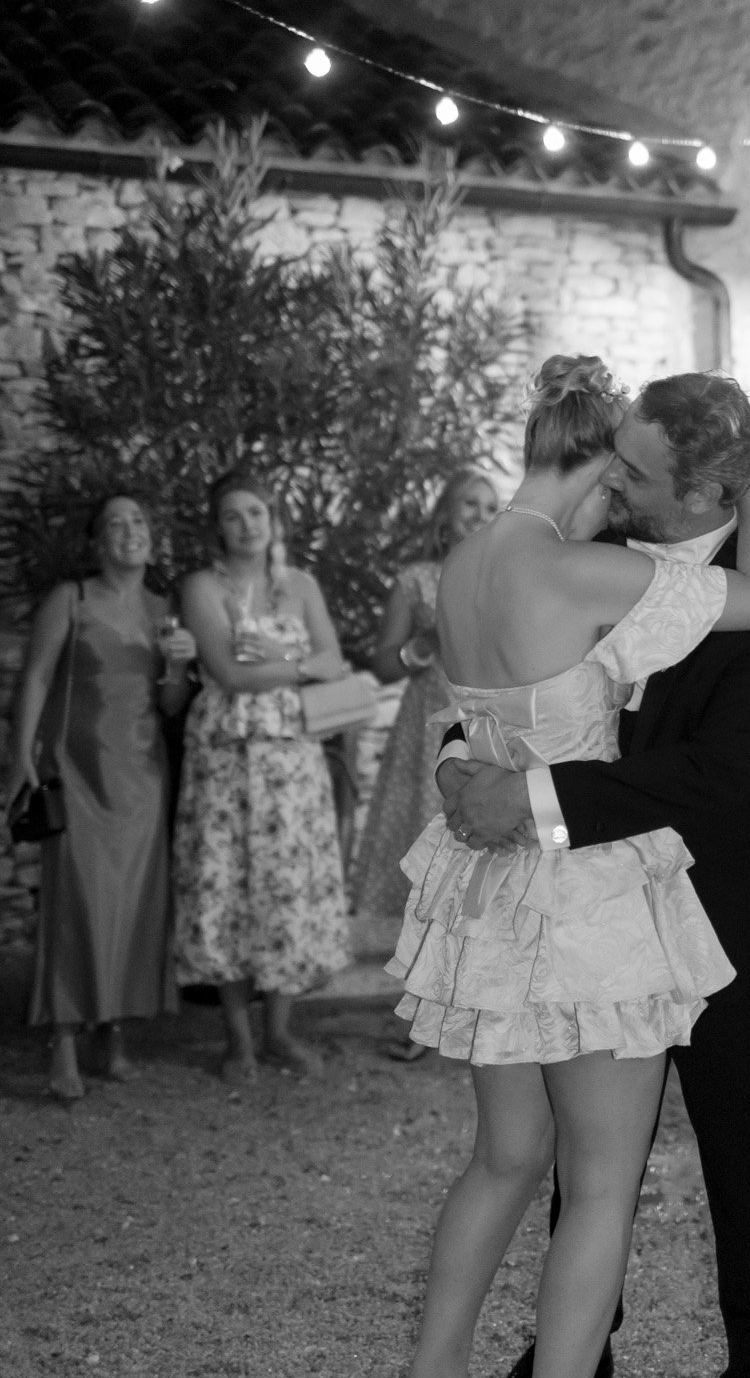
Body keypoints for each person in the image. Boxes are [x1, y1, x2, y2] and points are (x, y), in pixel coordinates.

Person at [379, 356, 750, 1378]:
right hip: (584, 901)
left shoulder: (467, 556)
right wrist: (748, 476)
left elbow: (471, 711)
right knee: (601, 1181)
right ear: (606, 461)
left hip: (489, 890)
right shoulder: (580, 567)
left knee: (505, 1155)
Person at [4, 494, 197, 1101]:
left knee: (134, 907)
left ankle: (111, 1036)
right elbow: (35, 677)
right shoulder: (73, 598)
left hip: (143, 776)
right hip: (76, 771)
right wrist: (19, 759)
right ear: (96, 542)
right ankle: (63, 1041)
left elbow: (170, 708)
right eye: (114, 523)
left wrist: (177, 669)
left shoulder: (167, 610)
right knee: (75, 903)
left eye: (138, 521)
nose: (128, 531)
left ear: (152, 537)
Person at [171, 469, 350, 1081]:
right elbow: (228, 673)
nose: (248, 524)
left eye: (257, 512)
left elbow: (335, 660)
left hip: (293, 763)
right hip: (225, 759)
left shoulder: (299, 583)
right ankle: (238, 1040)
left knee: (286, 887)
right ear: (216, 527)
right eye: (233, 515)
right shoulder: (200, 586)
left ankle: (278, 1031)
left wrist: (274, 658)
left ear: (273, 520)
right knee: (225, 886)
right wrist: (297, 664)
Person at [352, 468, 500, 923]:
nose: (481, 515)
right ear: (444, 515)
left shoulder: (508, 576)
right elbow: (381, 664)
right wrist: (422, 646)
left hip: (492, 721)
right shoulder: (416, 579)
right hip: (429, 724)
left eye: (492, 507)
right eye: (470, 504)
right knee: (425, 827)